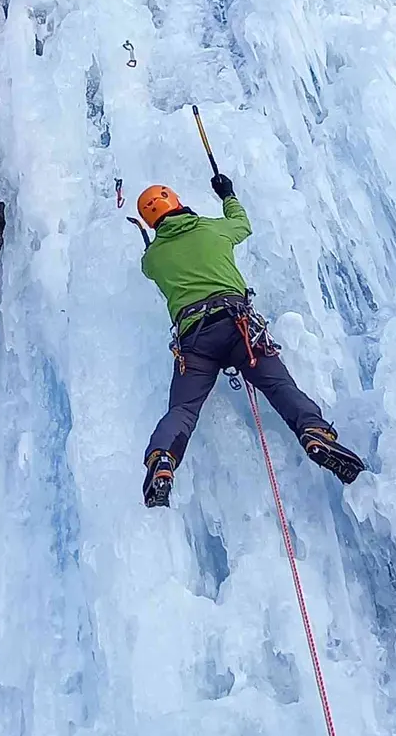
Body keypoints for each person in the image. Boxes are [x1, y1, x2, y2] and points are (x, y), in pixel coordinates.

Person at [138, 178, 365, 508]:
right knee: (278, 387)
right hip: (238, 327)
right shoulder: (212, 230)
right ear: (176, 202)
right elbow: (242, 225)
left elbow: (150, 265)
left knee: (183, 410)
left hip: (194, 342)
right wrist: (227, 195)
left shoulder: (153, 259)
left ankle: (162, 460)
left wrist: (155, 243)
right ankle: (315, 432)